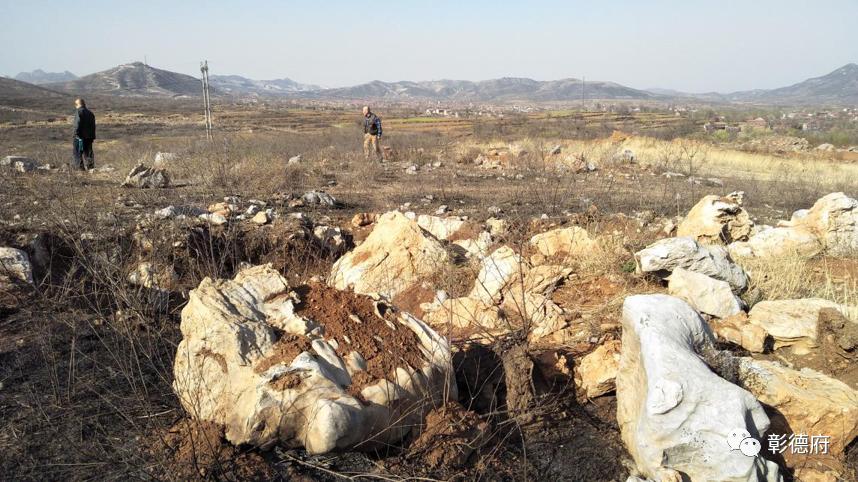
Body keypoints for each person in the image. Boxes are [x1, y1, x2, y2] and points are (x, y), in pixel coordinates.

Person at [72, 98, 96, 170]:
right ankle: (91, 169)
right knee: (88, 153)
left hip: (80, 137)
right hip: (89, 137)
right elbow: (93, 126)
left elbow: (77, 124)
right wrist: (92, 137)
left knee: (77, 153)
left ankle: (80, 170)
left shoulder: (79, 112)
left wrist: (75, 134)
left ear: (76, 105)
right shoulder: (91, 113)